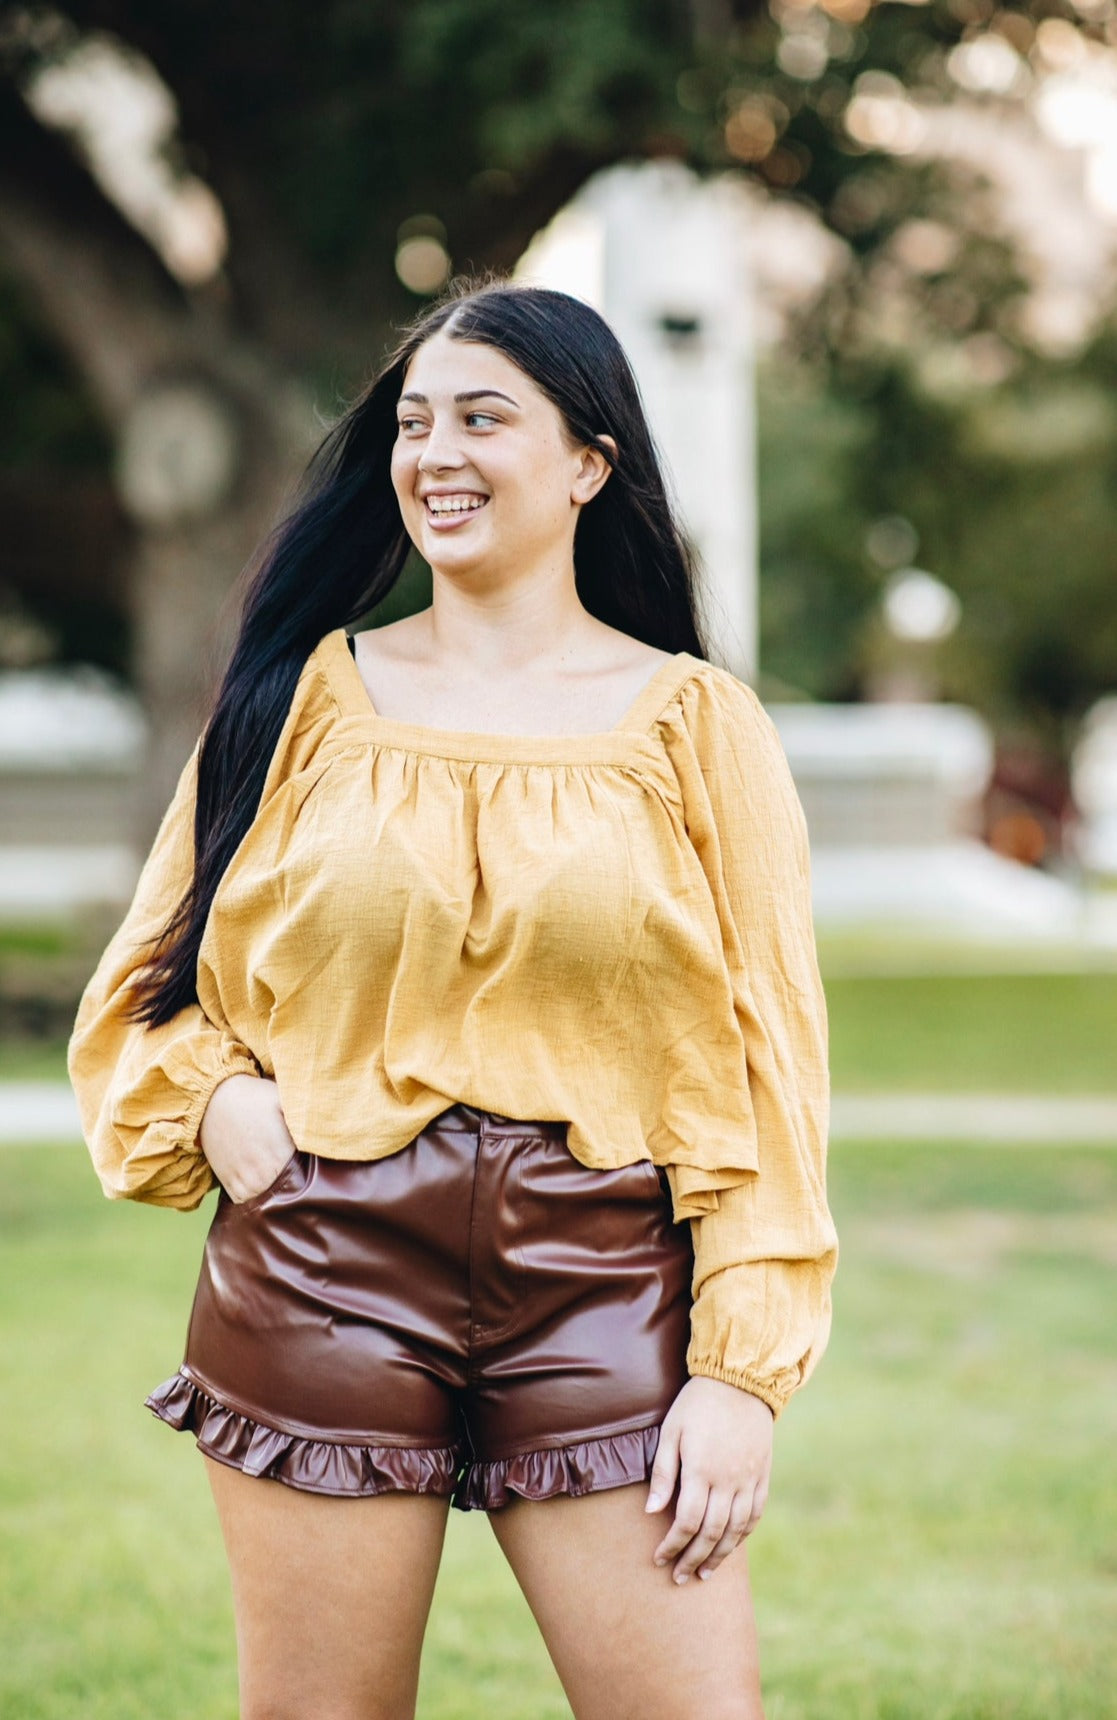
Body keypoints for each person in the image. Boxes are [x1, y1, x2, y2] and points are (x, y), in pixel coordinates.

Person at [67, 277, 838, 1720]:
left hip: (605, 1277)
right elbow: (138, 996)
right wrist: (216, 1101)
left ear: (587, 464)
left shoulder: (695, 724)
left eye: (484, 418)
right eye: (414, 423)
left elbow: (769, 1070)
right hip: (322, 1268)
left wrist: (741, 1373)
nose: (435, 455)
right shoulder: (291, 701)